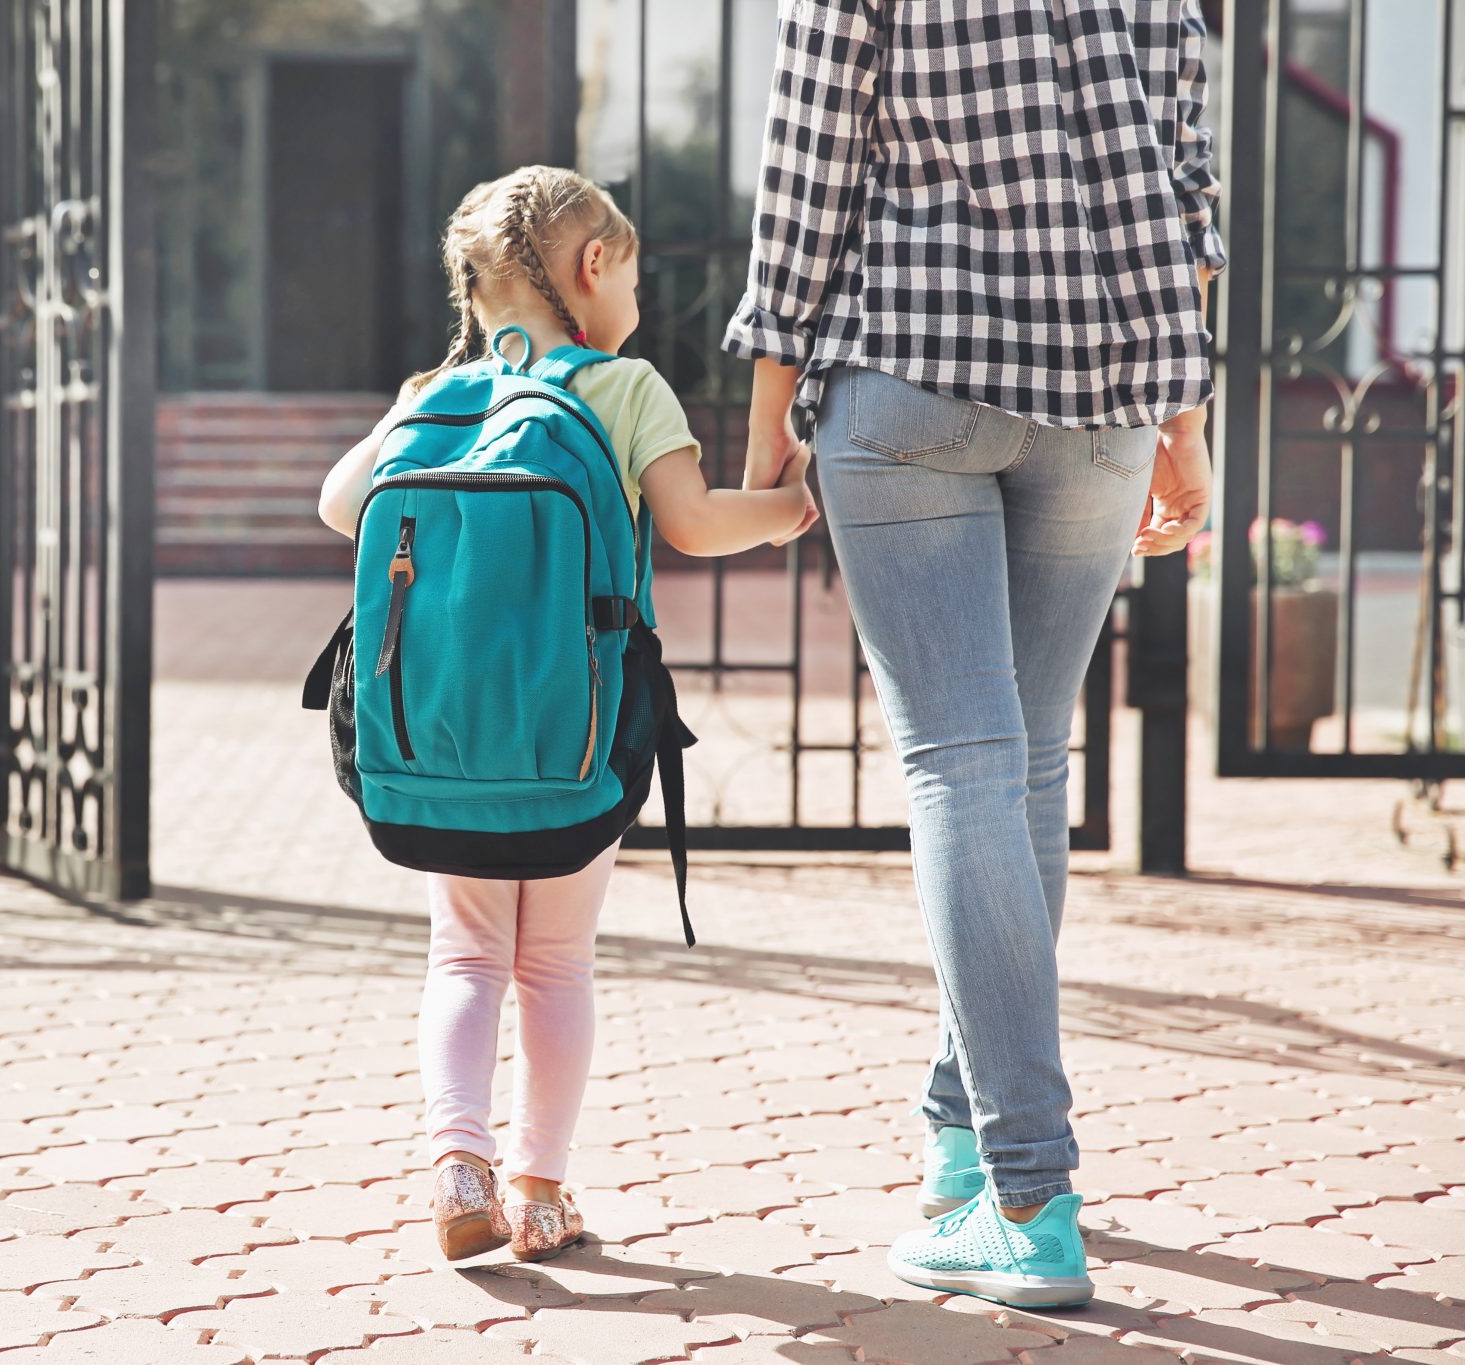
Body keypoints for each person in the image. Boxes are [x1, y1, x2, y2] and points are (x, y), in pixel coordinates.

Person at [725, 0, 1224, 1308]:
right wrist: (1187, 425)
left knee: (963, 765)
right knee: (1025, 768)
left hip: (911, 380)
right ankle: (962, 1136)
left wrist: (767, 419)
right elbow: (1186, 197)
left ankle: (1030, 1194)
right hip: (1110, 399)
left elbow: (805, 183)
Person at [320, 165, 819, 1262]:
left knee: (462, 958)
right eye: (628, 276)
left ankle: (459, 1160)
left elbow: (338, 505)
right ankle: (541, 1192)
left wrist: (421, 417)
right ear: (593, 265)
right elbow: (690, 525)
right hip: (574, 736)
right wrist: (790, 507)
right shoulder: (623, 386)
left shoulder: (429, 395)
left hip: (437, 739)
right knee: (554, 964)